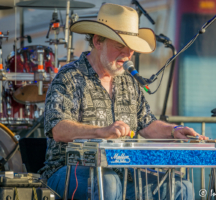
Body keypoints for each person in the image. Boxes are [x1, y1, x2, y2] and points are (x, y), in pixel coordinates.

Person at [38, 3, 207, 200]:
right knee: (107, 183)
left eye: (131, 49)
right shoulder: (69, 76)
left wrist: (174, 131)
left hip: (122, 174)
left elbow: (148, 124)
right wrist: (100, 132)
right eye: (120, 46)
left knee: (181, 187)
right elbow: (58, 129)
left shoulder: (129, 81)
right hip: (67, 172)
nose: (127, 54)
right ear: (98, 41)